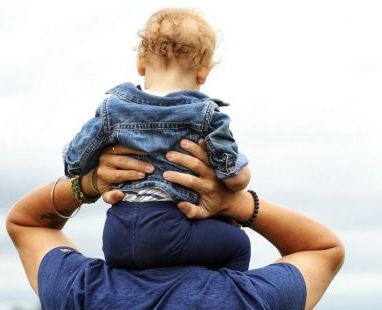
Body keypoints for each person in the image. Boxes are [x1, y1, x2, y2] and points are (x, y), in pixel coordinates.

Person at [6, 140, 345, 310]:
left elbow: (27, 223)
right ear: (222, 227)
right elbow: (322, 249)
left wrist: (90, 183)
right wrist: (237, 203)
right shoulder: (254, 304)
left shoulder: (80, 294)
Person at [62, 8, 252, 271]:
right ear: (203, 72)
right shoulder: (207, 114)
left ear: (141, 62)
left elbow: (74, 162)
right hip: (171, 230)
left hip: (117, 235)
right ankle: (225, 303)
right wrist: (240, 170)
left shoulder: (112, 109)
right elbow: (233, 177)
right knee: (238, 244)